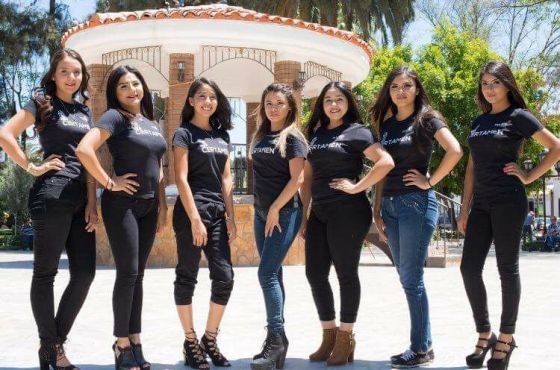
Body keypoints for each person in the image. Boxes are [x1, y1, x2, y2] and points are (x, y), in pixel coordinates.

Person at [457, 61, 560, 370]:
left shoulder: (518, 116)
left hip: (508, 201)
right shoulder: (478, 121)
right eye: (485, 83)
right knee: (468, 268)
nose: (489, 88)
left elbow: (555, 147)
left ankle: (506, 336)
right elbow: (472, 166)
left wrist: (528, 176)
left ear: (507, 86)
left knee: (507, 269)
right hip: (482, 204)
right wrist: (464, 207)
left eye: (495, 83)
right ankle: (484, 332)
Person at [0, 48, 97, 369]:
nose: (73, 78)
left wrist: (93, 203)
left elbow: (90, 159)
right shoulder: (42, 105)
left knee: (84, 273)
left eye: (77, 72)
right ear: (54, 75)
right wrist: (31, 166)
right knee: (46, 274)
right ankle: (51, 347)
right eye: (66, 72)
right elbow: (5, 133)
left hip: (81, 200)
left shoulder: (85, 112)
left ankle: (54, 344)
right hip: (51, 196)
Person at [76, 65, 167, 370]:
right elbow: (84, 149)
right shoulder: (115, 117)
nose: (131, 90)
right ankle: (121, 342)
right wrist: (109, 182)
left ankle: (136, 338)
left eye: (135, 84)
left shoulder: (151, 123)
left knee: (138, 276)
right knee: (127, 273)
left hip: (149, 206)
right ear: (116, 94)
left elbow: (158, 166)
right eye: (123, 87)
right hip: (122, 206)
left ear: (143, 87)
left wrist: (162, 206)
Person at [371, 66, 463, 368]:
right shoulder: (386, 127)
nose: (401, 91)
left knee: (412, 278)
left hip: (416, 204)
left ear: (416, 89)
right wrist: (376, 207)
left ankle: (421, 348)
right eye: (395, 85)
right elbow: (383, 168)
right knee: (406, 276)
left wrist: (430, 181)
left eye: (407, 85)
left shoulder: (427, 119)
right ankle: (423, 345)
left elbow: (455, 150)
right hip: (391, 207)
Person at [300, 81, 394, 366]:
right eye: (328, 100)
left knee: (345, 274)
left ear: (348, 103)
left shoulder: (358, 132)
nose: (333, 104)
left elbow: (385, 162)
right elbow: (307, 175)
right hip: (320, 213)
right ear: (322, 105)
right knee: (315, 274)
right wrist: (306, 213)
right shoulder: (315, 135)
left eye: (339, 99)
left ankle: (346, 336)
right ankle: (328, 336)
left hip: (348, 212)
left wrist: (357, 187)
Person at [172, 78, 236, 370]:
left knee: (224, 276)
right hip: (191, 212)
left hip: (217, 211)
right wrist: (195, 219)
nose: (207, 101)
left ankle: (209, 339)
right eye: (201, 96)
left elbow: (226, 179)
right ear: (191, 101)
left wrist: (231, 216)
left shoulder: (222, 136)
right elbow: (181, 179)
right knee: (187, 276)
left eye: (212, 97)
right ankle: (190, 341)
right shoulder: (184, 133)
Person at [249, 83, 307, 370]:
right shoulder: (261, 135)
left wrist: (274, 208)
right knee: (274, 274)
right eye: (269, 102)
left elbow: (297, 180)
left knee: (267, 273)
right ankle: (278, 340)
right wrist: (263, 208)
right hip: (261, 213)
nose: (273, 108)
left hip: (283, 214)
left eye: (279, 103)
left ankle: (275, 339)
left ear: (290, 107)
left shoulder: (294, 138)